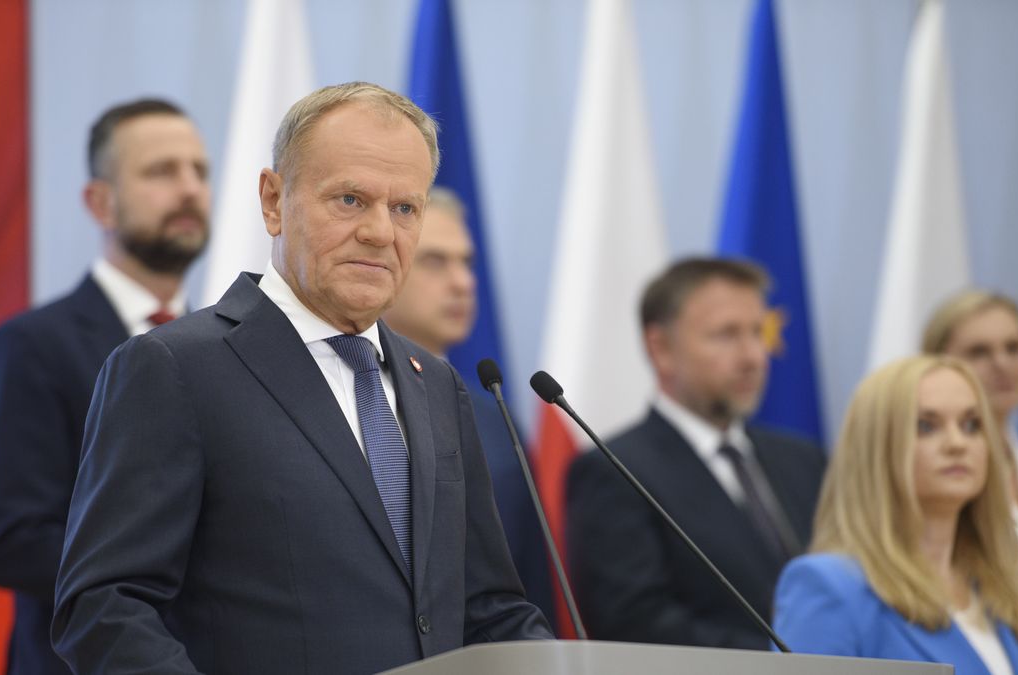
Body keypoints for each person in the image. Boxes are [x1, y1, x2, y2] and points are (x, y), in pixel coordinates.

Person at [51, 82, 552, 675]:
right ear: (272, 200)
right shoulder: (175, 369)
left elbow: (488, 607)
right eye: (348, 199)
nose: (379, 232)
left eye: (404, 208)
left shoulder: (439, 384)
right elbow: (106, 605)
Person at [0, 98, 210, 675]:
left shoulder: (223, 348)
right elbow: (12, 540)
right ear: (99, 201)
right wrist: (180, 565)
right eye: (161, 171)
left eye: (200, 170)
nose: (189, 189)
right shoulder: (33, 345)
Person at [566, 257, 826, 649]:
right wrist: (788, 661)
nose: (753, 356)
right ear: (661, 348)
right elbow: (636, 627)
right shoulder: (616, 471)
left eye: (759, 333)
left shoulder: (804, 460)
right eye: (726, 334)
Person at [773, 355, 1018, 674]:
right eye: (926, 426)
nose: (957, 443)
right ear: (877, 447)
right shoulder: (829, 587)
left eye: (971, 425)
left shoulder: (1006, 589)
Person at [382, 186, 555, 626]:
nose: (462, 283)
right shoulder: (352, 401)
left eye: (467, 263)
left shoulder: (494, 416)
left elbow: (529, 579)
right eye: (436, 262)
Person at [923, 290, 1018, 609]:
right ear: (938, 365)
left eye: (1013, 348)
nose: (1002, 363)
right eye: (979, 352)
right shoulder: (936, 478)